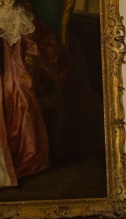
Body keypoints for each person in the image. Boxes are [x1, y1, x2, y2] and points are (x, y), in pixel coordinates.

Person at [0, 0, 70, 188]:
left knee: (18, 91)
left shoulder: (20, 14)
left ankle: (22, 157)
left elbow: (37, 41)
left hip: (14, 62)